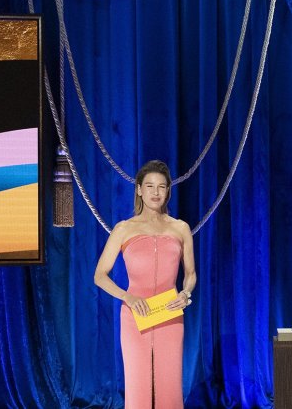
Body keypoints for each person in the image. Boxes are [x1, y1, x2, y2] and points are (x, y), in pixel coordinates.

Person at [94, 160, 196, 409]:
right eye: (149, 186)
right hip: (134, 316)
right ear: (139, 189)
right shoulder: (124, 229)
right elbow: (100, 275)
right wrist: (127, 297)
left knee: (170, 384)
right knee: (138, 385)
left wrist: (186, 292)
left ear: (167, 191)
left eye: (161, 187)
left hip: (170, 314)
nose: (155, 192)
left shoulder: (181, 228)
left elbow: (191, 273)